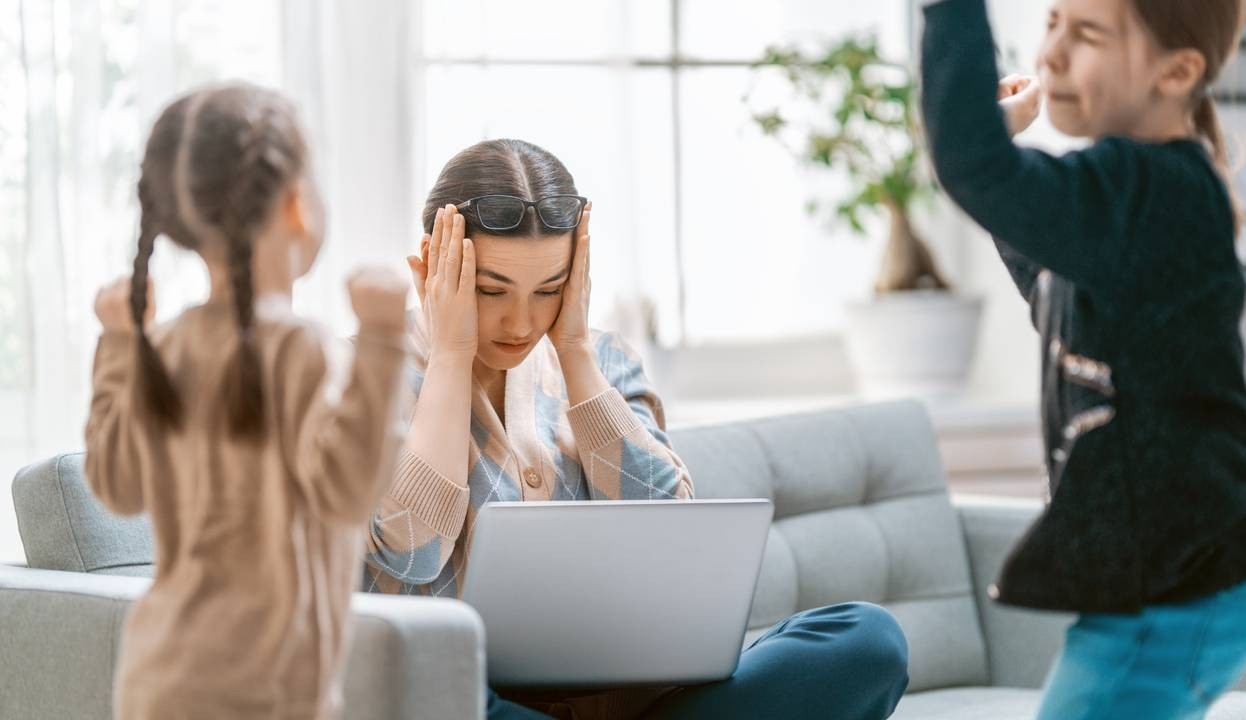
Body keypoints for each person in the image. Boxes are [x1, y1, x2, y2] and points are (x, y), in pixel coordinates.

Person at [362, 138, 910, 720]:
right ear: (433, 264)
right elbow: (411, 556)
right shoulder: (365, 378)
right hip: (478, 703)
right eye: (491, 290)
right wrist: (449, 357)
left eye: (549, 290)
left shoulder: (605, 363)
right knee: (432, 694)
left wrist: (573, 349)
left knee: (866, 640)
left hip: (633, 702)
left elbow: (670, 529)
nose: (521, 322)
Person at [920, 0, 1246, 716]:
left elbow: (969, 163)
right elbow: (1050, 286)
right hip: (1171, 579)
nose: (1050, 53)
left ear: (1176, 72)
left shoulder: (1158, 190)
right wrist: (1004, 164)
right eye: (1052, 22)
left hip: (1189, 579)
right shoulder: (1130, 192)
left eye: (1084, 34)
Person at [84, 83, 410, 719]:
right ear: (296, 206)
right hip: (266, 692)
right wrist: (381, 341)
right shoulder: (302, 349)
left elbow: (115, 485)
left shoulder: (166, 345)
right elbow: (349, 492)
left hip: (155, 681)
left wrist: (119, 342)